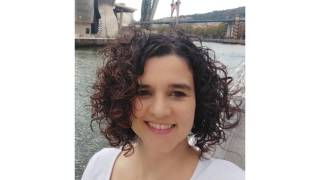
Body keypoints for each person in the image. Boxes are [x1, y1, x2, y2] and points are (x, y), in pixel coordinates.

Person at [81, 28, 244, 180]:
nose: (160, 111)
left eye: (177, 93)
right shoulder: (99, 165)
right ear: (121, 98)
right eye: (143, 92)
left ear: (199, 101)